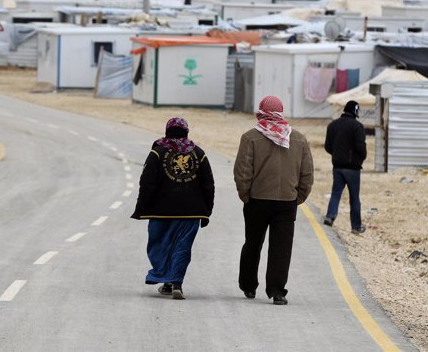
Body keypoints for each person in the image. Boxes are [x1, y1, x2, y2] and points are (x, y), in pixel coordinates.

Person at [233, 95, 313, 305]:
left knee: (253, 243)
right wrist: (298, 197)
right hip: (287, 202)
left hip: (257, 200)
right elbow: (307, 174)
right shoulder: (298, 139)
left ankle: (248, 286)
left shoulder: (250, 137)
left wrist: (245, 195)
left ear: (260, 112)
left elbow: (242, 171)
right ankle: (277, 291)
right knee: (281, 248)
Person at [131, 117, 215, 300]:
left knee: (160, 245)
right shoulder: (198, 153)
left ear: (167, 131)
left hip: (160, 211)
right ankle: (176, 283)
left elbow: (146, 182)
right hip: (191, 211)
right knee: (182, 247)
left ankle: (165, 278)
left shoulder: (157, 152)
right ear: (186, 132)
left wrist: (140, 207)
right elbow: (208, 184)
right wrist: (207, 210)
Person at [323, 100, 367, 234]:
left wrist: (337, 155)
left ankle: (330, 216)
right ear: (355, 111)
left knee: (336, 193)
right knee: (354, 198)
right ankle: (356, 227)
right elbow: (361, 147)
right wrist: (361, 157)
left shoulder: (332, 125)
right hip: (353, 168)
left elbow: (327, 146)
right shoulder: (357, 126)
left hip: (337, 166)